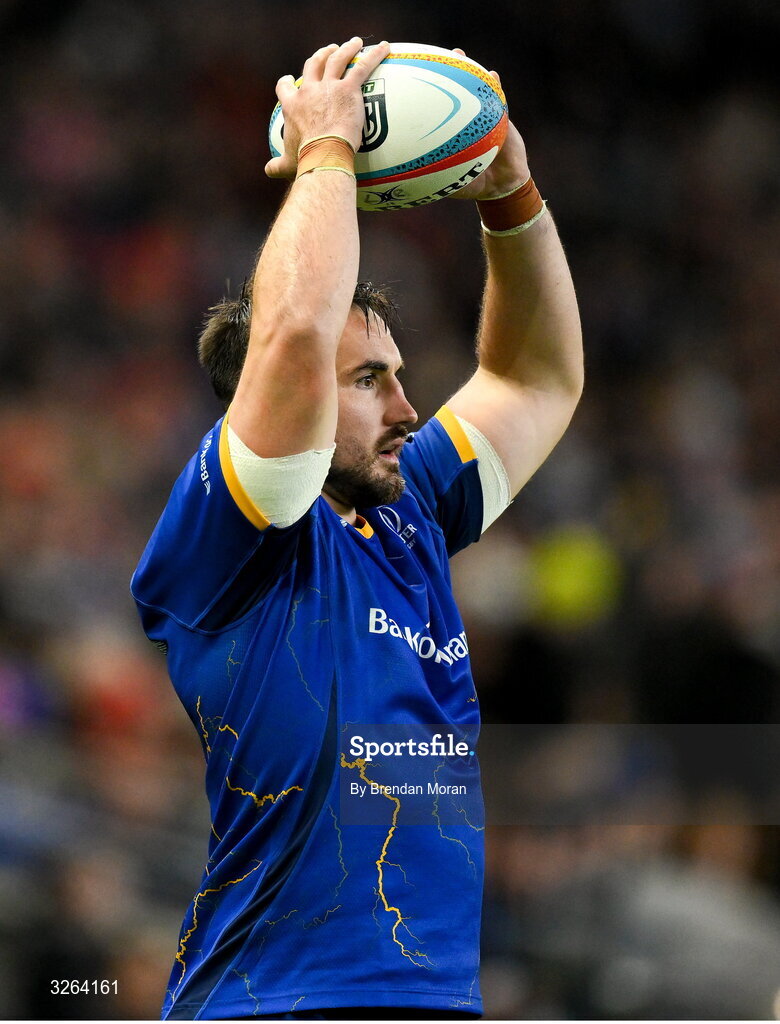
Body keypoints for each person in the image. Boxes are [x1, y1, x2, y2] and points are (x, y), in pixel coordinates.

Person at [131, 36, 583, 1021]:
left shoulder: (406, 510)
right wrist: (330, 150)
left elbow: (536, 378)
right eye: (372, 380)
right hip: (278, 1004)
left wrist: (510, 192)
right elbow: (294, 334)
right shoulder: (233, 531)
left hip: (435, 999)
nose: (411, 410)